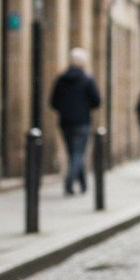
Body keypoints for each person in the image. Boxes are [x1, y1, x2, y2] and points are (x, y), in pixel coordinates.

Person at [49, 47, 101, 195]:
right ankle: (69, 182)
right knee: (78, 154)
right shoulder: (87, 79)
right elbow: (97, 101)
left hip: (65, 122)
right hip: (82, 121)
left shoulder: (61, 79)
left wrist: (65, 109)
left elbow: (53, 102)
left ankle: (83, 184)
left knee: (73, 153)